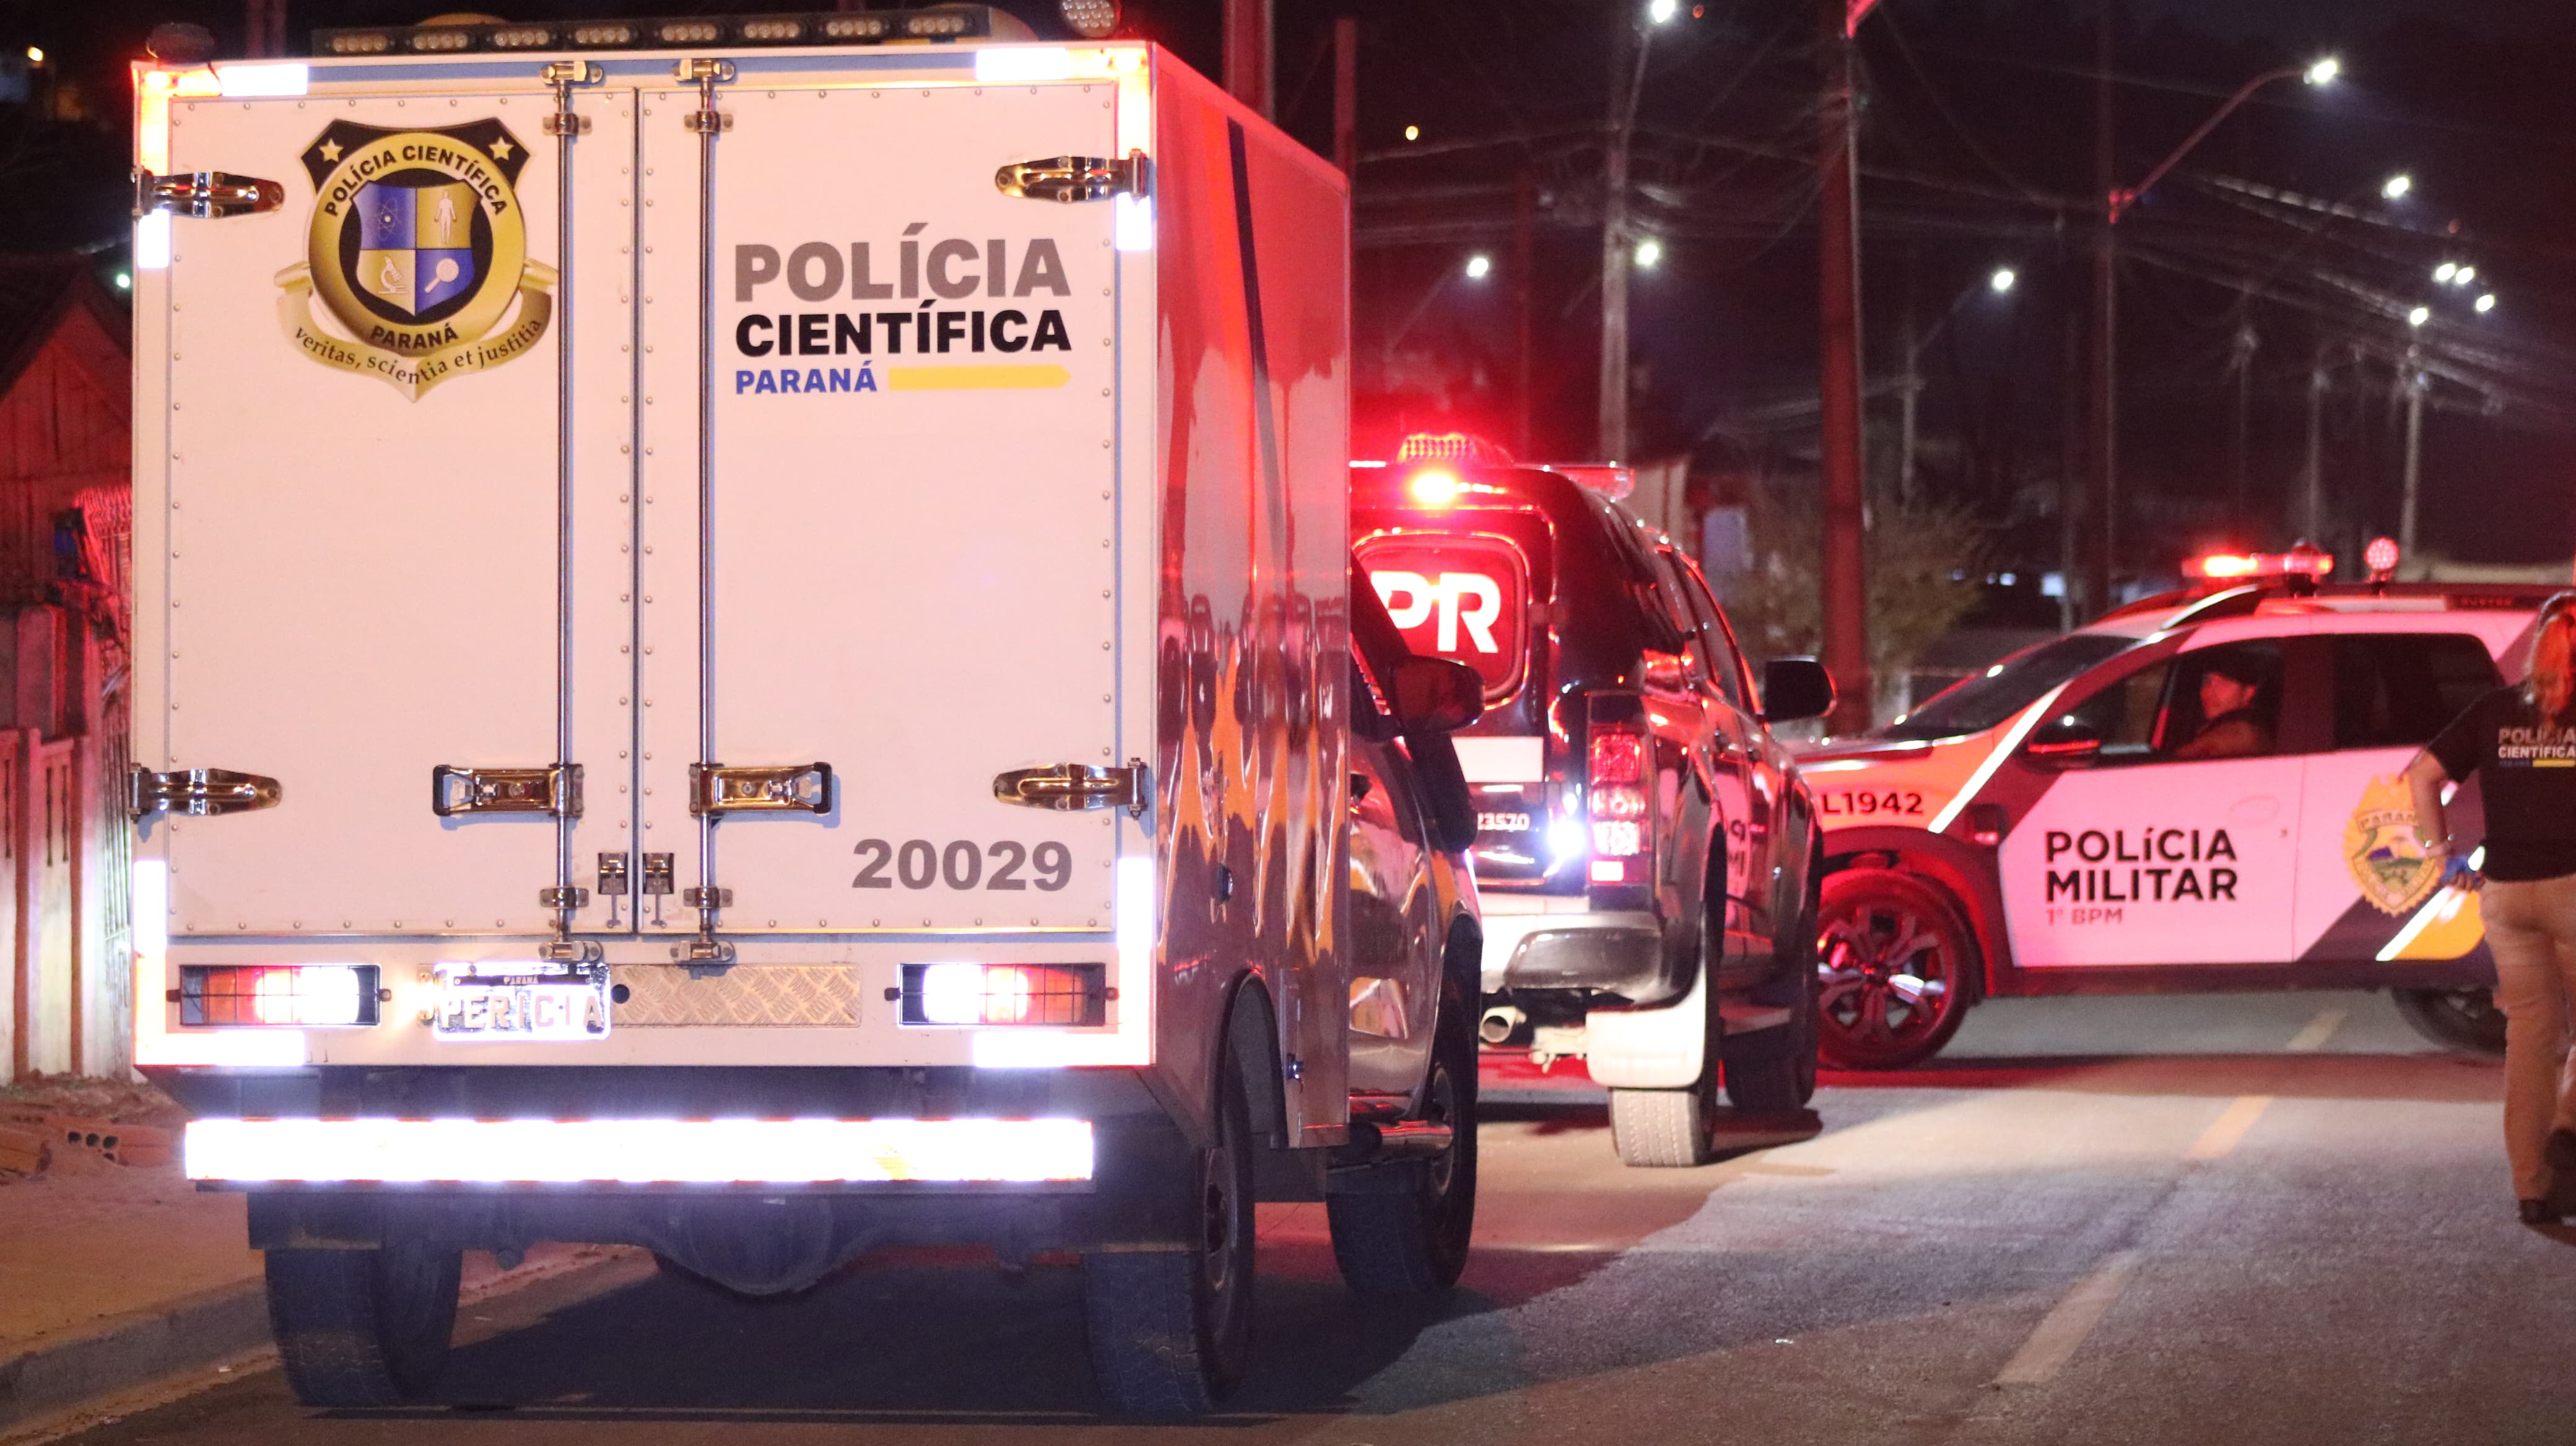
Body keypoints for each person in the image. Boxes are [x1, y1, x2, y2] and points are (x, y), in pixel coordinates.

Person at [2409, 591, 2576, 1225]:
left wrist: (2440, 856)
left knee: (2529, 1037)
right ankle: (2567, 1125)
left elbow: (2421, 775)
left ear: (2536, 642)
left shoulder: (2492, 710)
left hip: (2503, 894)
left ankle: (2530, 1188)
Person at [2171, 656, 2273, 759]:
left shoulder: (2243, 734)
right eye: (2207, 681)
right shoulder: (2216, 726)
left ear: (2248, 693)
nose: (2210, 691)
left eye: (2224, 683)